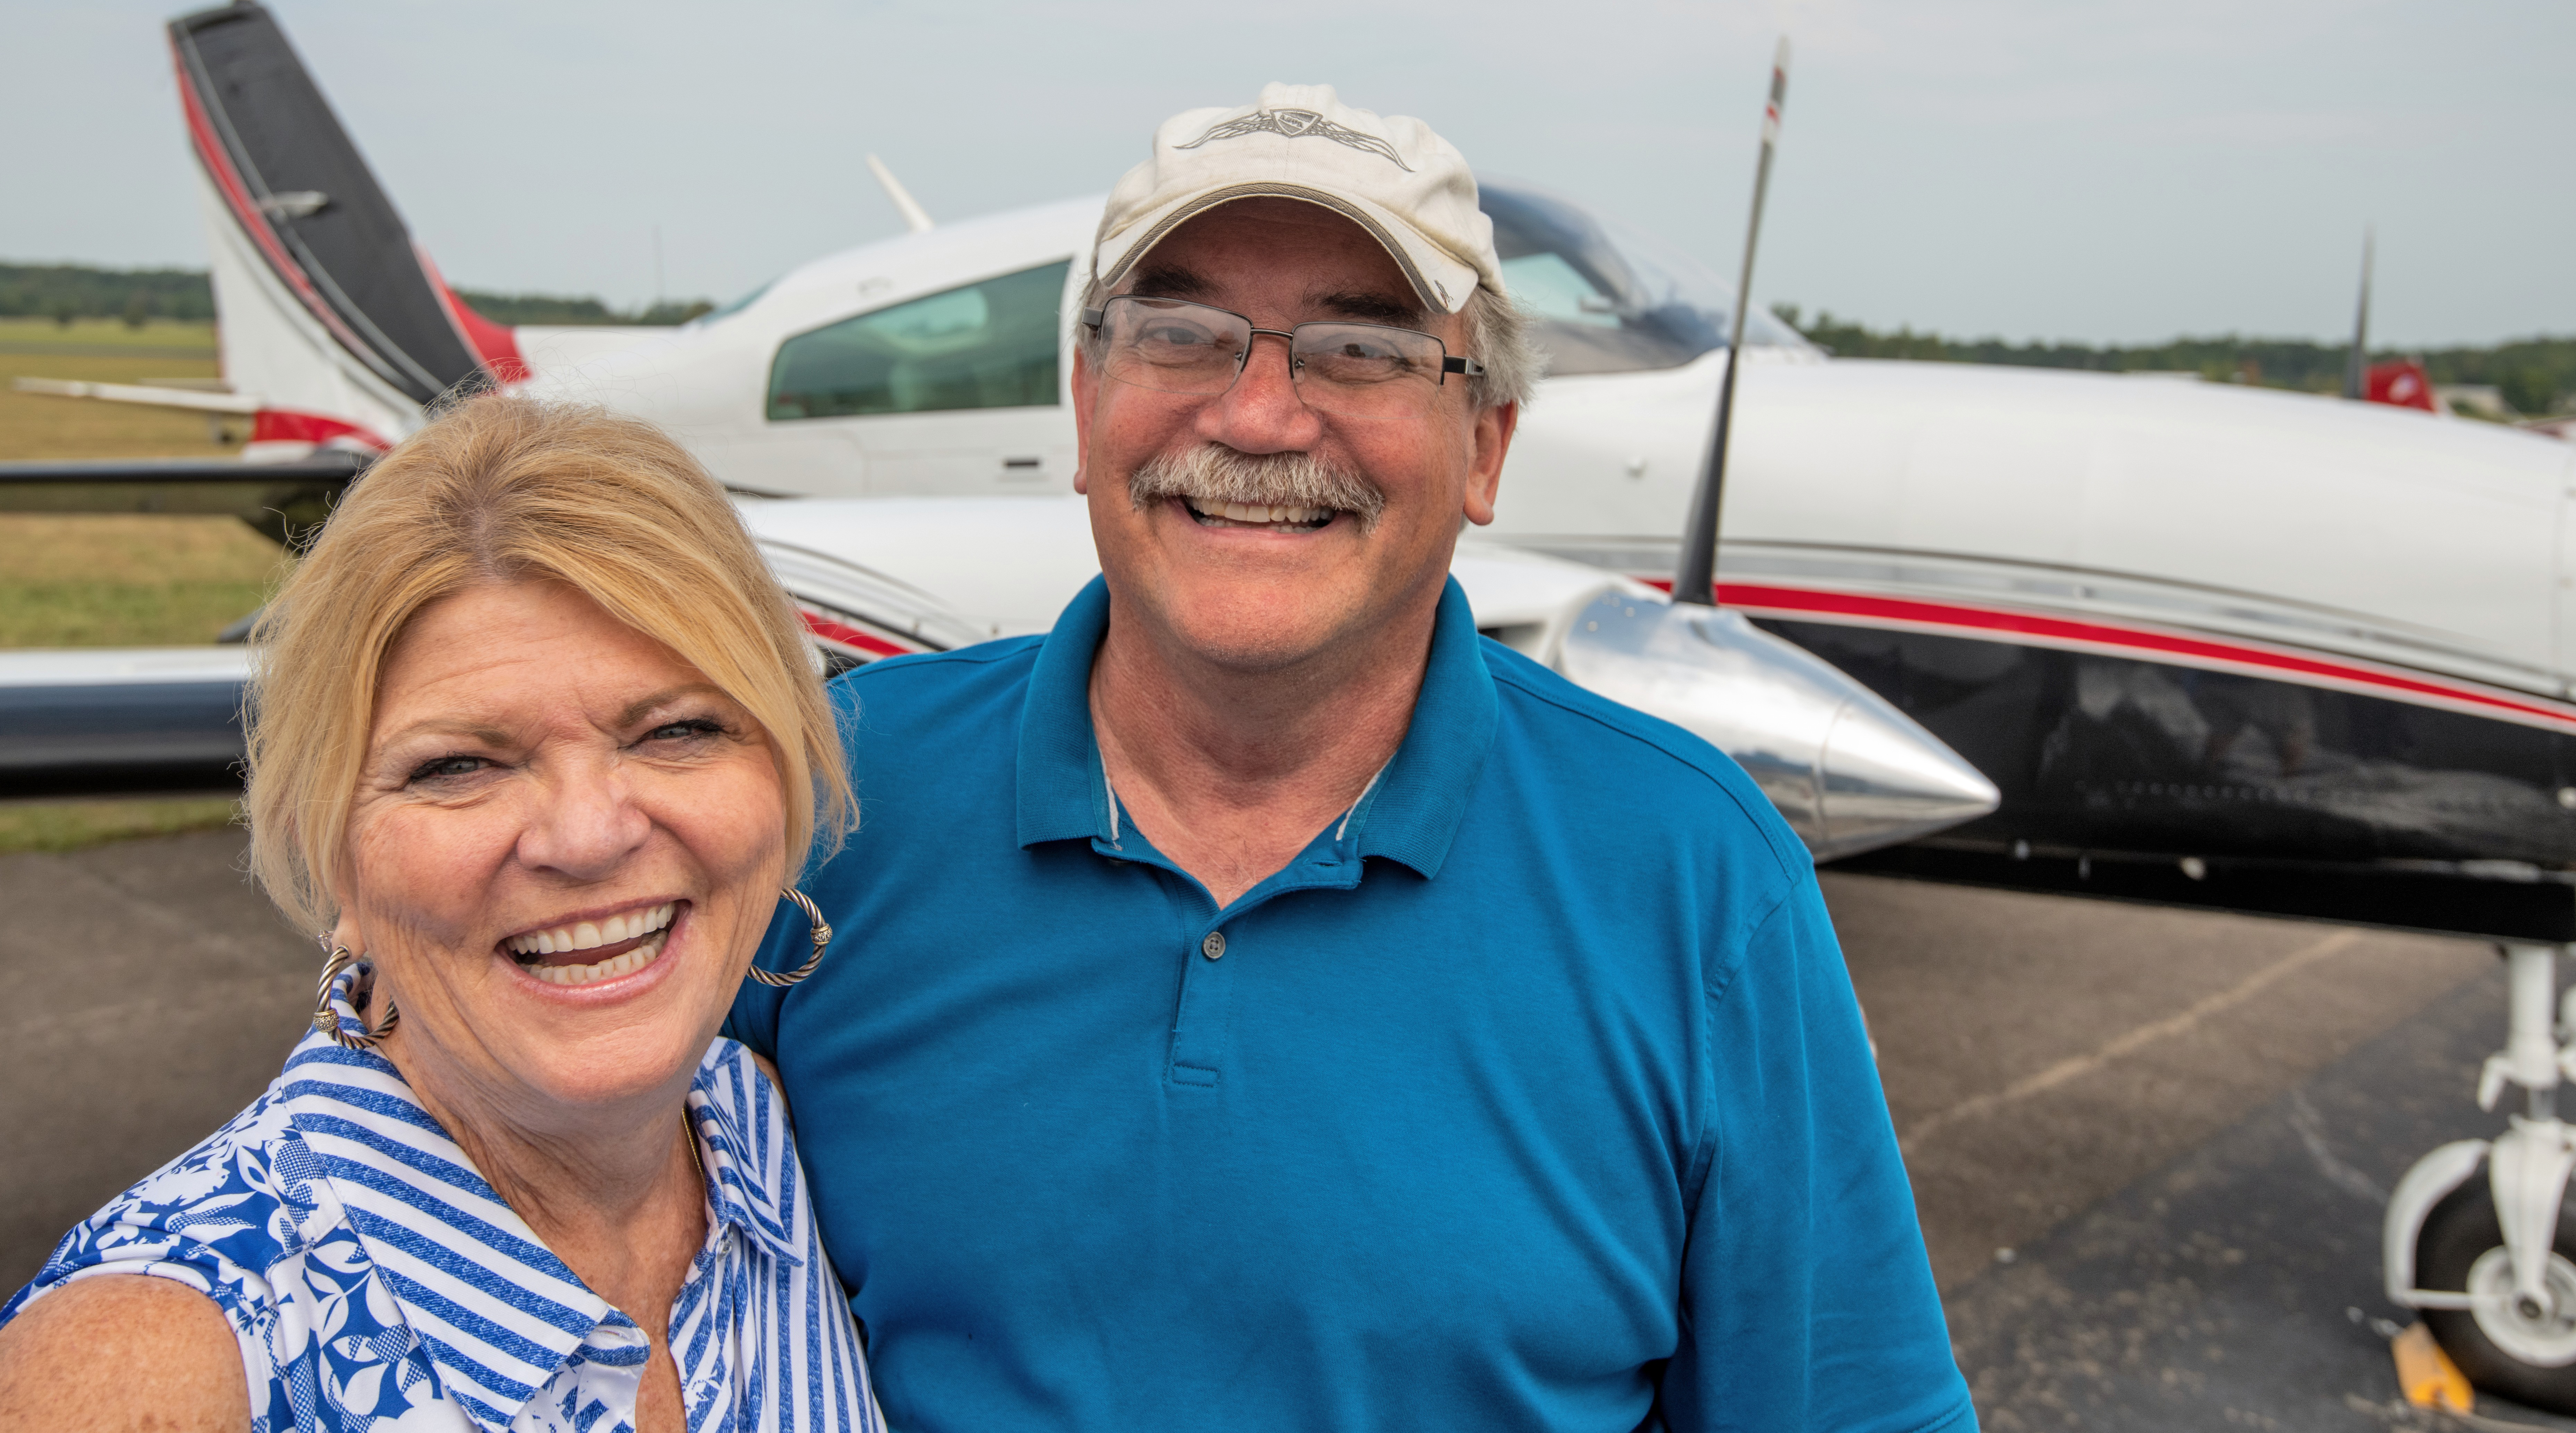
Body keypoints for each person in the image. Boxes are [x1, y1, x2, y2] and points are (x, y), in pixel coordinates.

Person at [727, 84, 1976, 1430]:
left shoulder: (1696, 873)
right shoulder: (834, 794)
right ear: (1087, 407)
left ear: (1485, 445)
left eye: (1362, 352)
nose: (1259, 418)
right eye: (1182, 335)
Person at [0, 397, 883, 1433]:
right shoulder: (154, 1369)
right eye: (458, 764)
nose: (588, 833)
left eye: (680, 729)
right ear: (330, 850)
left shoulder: (784, 1143)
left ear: (785, 778)